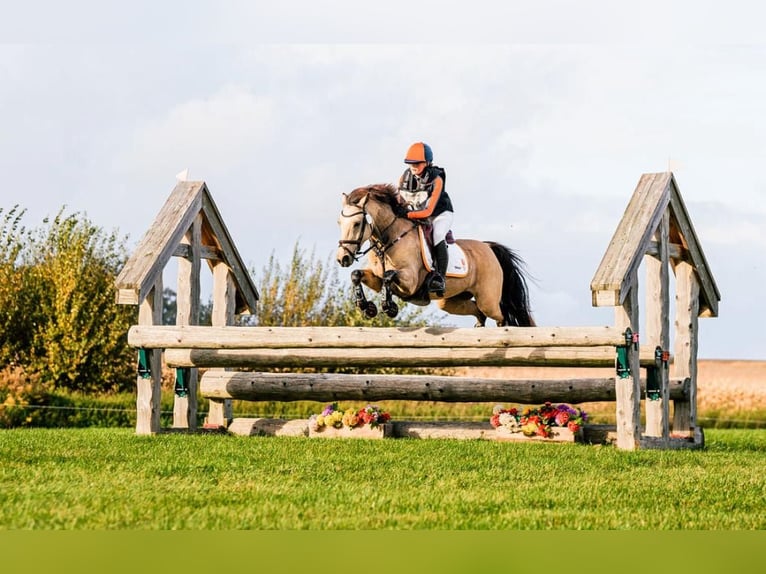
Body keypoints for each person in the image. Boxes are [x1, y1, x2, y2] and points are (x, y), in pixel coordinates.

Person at [396, 142, 454, 295]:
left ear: (428, 163)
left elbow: (428, 212)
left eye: (417, 163)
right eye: (410, 163)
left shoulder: (436, 180)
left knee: (437, 235)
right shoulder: (404, 177)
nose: (413, 166)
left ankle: (440, 277)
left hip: (440, 214)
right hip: (416, 215)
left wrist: (407, 215)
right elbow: (399, 201)